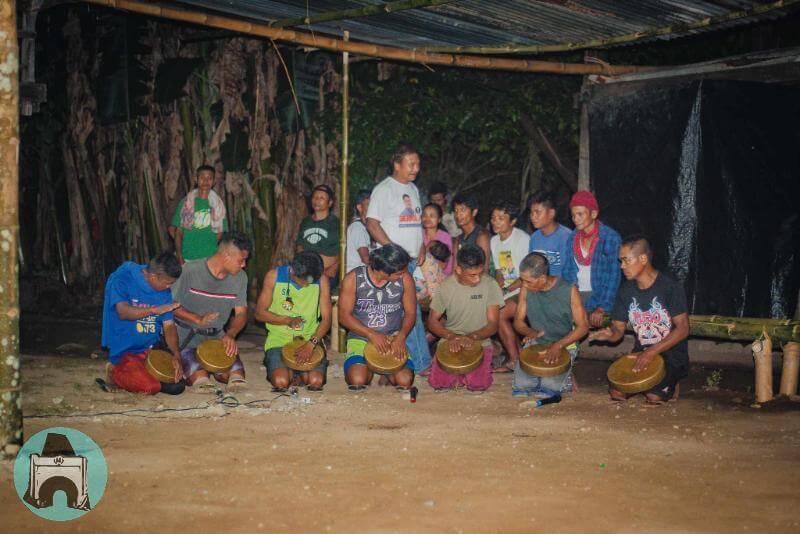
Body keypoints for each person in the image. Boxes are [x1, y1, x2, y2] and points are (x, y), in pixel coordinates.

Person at [588, 235, 690, 404]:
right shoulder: (626, 290)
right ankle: (656, 384)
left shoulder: (670, 286)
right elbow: (618, 330)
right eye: (621, 261)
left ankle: (672, 381)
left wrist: (651, 352)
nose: (622, 266)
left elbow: (683, 328)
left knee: (654, 397)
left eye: (626, 260)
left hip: (671, 354)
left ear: (643, 259)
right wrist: (610, 335)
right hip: (640, 354)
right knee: (617, 393)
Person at [365, 144, 431, 373]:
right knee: (409, 311)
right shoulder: (384, 189)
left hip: (411, 259)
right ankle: (422, 363)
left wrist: (421, 243)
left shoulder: (413, 188)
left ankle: (402, 361)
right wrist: (392, 251)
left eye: (418, 164)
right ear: (397, 164)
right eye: (411, 164)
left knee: (405, 310)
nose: (416, 168)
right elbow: (371, 223)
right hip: (394, 262)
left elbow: (416, 221)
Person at [172, 232, 251, 391]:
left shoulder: (240, 278)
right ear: (226, 256)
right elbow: (169, 305)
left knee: (236, 377)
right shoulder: (189, 271)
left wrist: (231, 334)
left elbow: (241, 313)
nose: (244, 265)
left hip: (217, 336)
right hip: (186, 336)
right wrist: (196, 319)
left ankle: (217, 370)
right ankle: (198, 370)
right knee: (202, 382)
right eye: (241, 260)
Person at [101, 253, 186, 395]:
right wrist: (154, 310)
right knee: (150, 387)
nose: (169, 287)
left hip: (151, 350)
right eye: (168, 283)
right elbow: (123, 312)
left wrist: (176, 355)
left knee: (176, 386)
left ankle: (140, 374)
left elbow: (169, 326)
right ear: (153, 277)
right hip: (126, 352)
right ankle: (114, 370)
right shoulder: (123, 279)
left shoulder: (163, 289)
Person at [338, 244, 416, 391]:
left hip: (393, 337)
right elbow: (343, 316)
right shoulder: (354, 278)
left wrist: (401, 336)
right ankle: (370, 367)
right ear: (383, 271)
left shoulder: (405, 278)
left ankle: (384, 371)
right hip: (361, 336)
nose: (403, 274)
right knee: (357, 380)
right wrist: (371, 334)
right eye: (398, 273)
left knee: (404, 381)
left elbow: (411, 313)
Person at [426, 245, 504, 392]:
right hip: (451, 339)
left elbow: (493, 324)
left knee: (478, 385)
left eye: (480, 273)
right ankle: (460, 374)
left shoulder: (490, 284)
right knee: (439, 384)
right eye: (472, 275)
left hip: (479, 340)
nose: (477, 279)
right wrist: (451, 337)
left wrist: (472, 337)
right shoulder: (446, 286)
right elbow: (432, 321)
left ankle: (472, 370)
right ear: (459, 270)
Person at [512, 252, 589, 398]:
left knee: (548, 390)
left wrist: (558, 345)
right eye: (522, 280)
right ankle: (564, 373)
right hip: (538, 342)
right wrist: (529, 332)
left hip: (565, 344)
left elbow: (583, 326)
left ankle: (567, 372)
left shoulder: (569, 290)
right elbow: (518, 322)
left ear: (542, 278)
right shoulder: (526, 288)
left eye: (528, 281)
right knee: (522, 388)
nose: (524, 284)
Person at [255, 251, 332, 392]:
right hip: (279, 339)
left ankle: (297, 373)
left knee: (316, 382)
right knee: (281, 382)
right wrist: (286, 320)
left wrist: (311, 344)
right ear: (292, 271)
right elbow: (259, 313)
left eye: (311, 281)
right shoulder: (274, 276)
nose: (308, 285)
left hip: (309, 339)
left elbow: (327, 320)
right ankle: (291, 372)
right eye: (305, 282)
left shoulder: (321, 280)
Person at [562, 191, 622, 328]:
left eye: (580, 214)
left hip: (601, 297)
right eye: (573, 215)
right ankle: (568, 348)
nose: (575, 219)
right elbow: (568, 273)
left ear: (593, 214)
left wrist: (602, 308)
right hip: (577, 295)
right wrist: (573, 300)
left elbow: (613, 278)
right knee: (552, 315)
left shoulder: (610, 238)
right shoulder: (572, 238)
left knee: (601, 319)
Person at [489, 201, 530, 373]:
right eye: (493, 218)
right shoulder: (494, 241)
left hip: (525, 288)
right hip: (507, 290)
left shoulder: (523, 239)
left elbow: (526, 275)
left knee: (499, 314)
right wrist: (498, 285)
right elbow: (499, 270)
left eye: (500, 218)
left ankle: (514, 359)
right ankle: (516, 357)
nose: (495, 222)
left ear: (512, 221)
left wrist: (506, 290)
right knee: (489, 311)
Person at [170, 165, 228, 264]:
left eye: (209, 178)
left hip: (209, 258)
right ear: (196, 179)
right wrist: (181, 253)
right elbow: (175, 230)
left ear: (214, 181)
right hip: (186, 257)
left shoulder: (218, 205)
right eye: (202, 178)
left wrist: (208, 246)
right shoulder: (186, 203)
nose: (205, 181)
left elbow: (220, 232)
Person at [296, 184, 340, 288]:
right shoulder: (306, 222)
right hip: (305, 272)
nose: (317, 200)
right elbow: (299, 245)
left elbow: (344, 249)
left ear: (330, 203)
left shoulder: (336, 223)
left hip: (327, 273)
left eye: (321, 198)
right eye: (315, 197)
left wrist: (335, 267)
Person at [527, 191, 571, 278]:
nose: (533, 216)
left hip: (561, 286)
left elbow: (568, 272)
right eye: (531, 213)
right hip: (539, 285)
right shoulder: (534, 238)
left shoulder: (566, 237)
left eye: (537, 212)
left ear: (551, 213)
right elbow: (532, 267)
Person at [452, 192, 491, 272]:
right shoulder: (458, 239)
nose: (458, 214)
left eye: (462, 210)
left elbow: (484, 270)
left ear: (474, 212)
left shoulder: (481, 236)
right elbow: (455, 269)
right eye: (456, 210)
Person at [345, 188, 374, 273]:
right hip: (357, 277)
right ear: (359, 207)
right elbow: (366, 258)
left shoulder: (368, 227)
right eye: (369, 205)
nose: (373, 208)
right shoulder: (358, 228)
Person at [422, 202, 454, 275]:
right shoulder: (419, 234)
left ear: (439, 219)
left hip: (440, 276)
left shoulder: (445, 237)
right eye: (424, 215)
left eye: (431, 216)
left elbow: (449, 262)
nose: (427, 218)